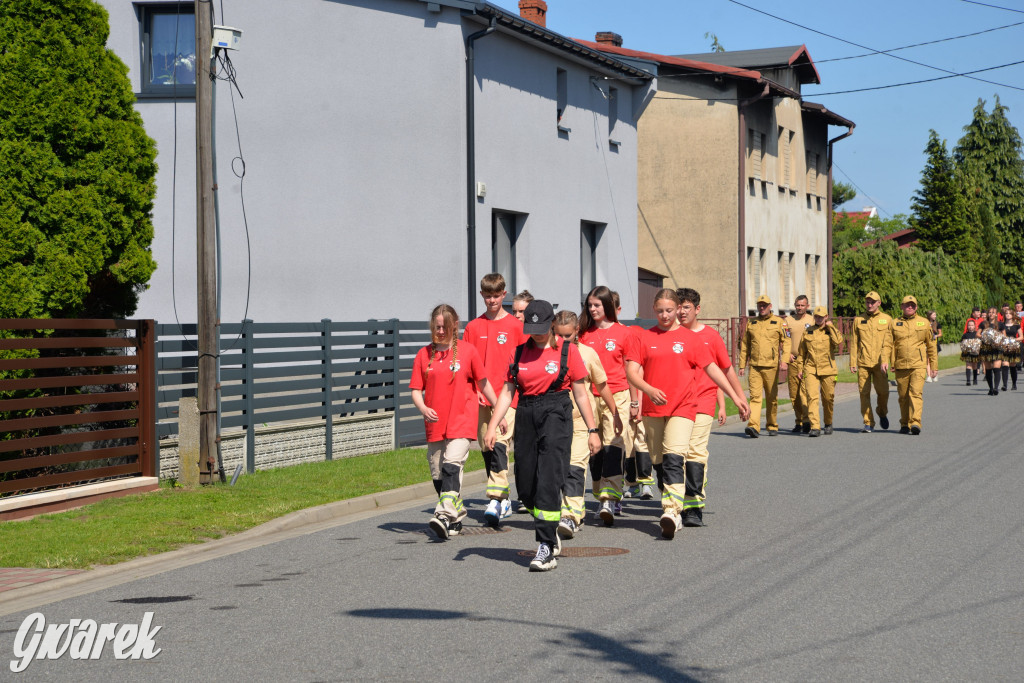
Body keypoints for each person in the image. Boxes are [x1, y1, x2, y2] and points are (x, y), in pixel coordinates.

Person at [484, 299, 601, 572]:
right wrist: (493, 425)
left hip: (556, 412)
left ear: (551, 323)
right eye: (531, 327)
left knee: (548, 480)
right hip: (526, 413)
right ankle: (550, 530)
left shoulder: (568, 352)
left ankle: (546, 546)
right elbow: (507, 392)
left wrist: (593, 430)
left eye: (540, 327)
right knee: (526, 486)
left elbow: (582, 394)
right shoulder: (519, 352)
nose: (535, 332)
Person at [625, 289, 749, 540]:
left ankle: (672, 511)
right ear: (654, 310)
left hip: (684, 406)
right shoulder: (643, 337)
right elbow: (631, 372)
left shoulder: (691, 339)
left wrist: (734, 396)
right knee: (658, 460)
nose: (666, 315)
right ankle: (671, 496)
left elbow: (712, 368)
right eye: (660, 310)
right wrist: (647, 390)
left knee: (674, 456)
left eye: (670, 310)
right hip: (653, 408)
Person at [410, 305, 501, 540]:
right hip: (435, 424)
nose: (440, 331)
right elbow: (415, 390)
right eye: (437, 327)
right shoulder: (423, 354)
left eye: (445, 327)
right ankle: (456, 514)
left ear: (454, 326)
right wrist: (423, 408)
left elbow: (484, 384)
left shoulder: (468, 351)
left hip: (461, 421)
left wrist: (497, 411)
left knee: (452, 465)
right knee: (439, 477)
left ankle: (441, 515)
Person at [676, 288, 744, 526]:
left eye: (686, 307)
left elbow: (725, 369)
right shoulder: (670, 335)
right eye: (679, 307)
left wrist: (738, 396)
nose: (681, 312)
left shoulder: (711, 336)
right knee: (674, 455)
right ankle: (679, 495)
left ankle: (693, 506)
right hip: (676, 403)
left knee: (695, 451)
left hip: (703, 401)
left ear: (697, 309)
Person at [552, 310, 621, 540]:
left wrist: (615, 413)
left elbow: (602, 386)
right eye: (558, 335)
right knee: (558, 469)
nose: (562, 340)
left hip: (581, 421)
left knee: (575, 466)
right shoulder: (547, 353)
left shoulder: (587, 354)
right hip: (554, 421)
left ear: (577, 332)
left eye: (567, 336)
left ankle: (570, 516)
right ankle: (576, 510)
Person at [462, 273, 523, 525]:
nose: (492, 300)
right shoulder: (472, 328)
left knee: (499, 443)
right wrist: (473, 389)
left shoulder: (516, 326)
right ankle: (504, 496)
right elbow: (466, 363)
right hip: (480, 399)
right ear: (481, 296)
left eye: (496, 296)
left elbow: (524, 361)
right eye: (487, 296)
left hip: (508, 396)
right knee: (487, 445)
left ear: (504, 295)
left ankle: (496, 498)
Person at [578, 286, 632, 525]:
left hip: (617, 394)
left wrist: (636, 402)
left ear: (607, 306)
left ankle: (610, 496)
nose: (592, 309)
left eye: (597, 305)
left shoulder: (624, 333)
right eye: (589, 305)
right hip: (589, 396)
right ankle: (600, 491)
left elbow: (632, 370)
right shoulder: (582, 333)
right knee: (594, 448)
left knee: (613, 444)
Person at [737, 294, 789, 437]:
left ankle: (772, 425)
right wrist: (742, 365)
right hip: (754, 366)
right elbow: (745, 345)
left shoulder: (780, 322)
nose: (762, 307)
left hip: (771, 366)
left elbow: (787, 342)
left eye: (764, 305)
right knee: (755, 397)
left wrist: (784, 360)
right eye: (760, 305)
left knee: (772, 398)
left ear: (770, 306)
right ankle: (753, 426)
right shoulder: (752, 323)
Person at [891, 295, 937, 434]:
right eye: (907, 304)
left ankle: (916, 422)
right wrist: (892, 362)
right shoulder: (894, 323)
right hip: (901, 364)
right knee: (903, 396)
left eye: (912, 305)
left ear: (916, 307)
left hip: (918, 364)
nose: (909, 307)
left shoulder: (923, 323)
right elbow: (890, 345)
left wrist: (934, 366)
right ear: (902, 306)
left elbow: (931, 346)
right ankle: (904, 423)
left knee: (915, 393)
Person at [795, 306, 843, 437]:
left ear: (826, 317)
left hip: (828, 368)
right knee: (812, 397)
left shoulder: (830, 331)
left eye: (821, 317)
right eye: (816, 316)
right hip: (811, 368)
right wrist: (800, 368)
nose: (819, 319)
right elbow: (801, 353)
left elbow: (839, 341)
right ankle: (815, 426)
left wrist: (831, 327)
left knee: (828, 398)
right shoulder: (808, 331)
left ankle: (828, 422)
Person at [850, 291, 894, 433]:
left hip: (880, 363)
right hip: (863, 363)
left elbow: (891, 343)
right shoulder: (858, 320)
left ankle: (882, 412)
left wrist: (890, 361)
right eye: (867, 302)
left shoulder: (887, 319)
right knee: (864, 393)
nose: (869, 304)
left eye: (872, 302)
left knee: (883, 392)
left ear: (879, 303)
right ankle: (868, 422)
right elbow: (854, 343)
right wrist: (852, 362)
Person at [783, 295, 814, 433]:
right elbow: (784, 340)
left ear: (807, 306)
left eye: (802, 305)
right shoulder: (788, 321)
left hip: (807, 360)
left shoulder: (812, 320)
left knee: (805, 392)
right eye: (798, 305)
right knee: (794, 393)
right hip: (793, 360)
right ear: (794, 305)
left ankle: (808, 420)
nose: (800, 308)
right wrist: (786, 354)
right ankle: (799, 421)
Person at [979, 306, 1004, 396]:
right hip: (986, 348)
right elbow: (977, 334)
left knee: (996, 368)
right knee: (988, 369)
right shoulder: (983, 324)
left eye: (993, 312)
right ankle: (990, 388)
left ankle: (996, 388)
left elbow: (1003, 336)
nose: (991, 314)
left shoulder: (1000, 324)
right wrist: (985, 336)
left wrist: (997, 338)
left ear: (996, 314)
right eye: (989, 312)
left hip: (997, 348)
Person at [999, 311, 1021, 391]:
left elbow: (1021, 337)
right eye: (1006, 313)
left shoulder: (1016, 325)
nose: (1008, 315)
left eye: (1009, 313)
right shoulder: (1002, 325)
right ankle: (1004, 385)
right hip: (1004, 346)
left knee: (1012, 365)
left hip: (1013, 346)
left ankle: (1014, 384)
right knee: (1005, 364)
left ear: (1012, 315)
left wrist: (1013, 339)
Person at [960, 319, 980, 386]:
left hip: (975, 352)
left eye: (972, 325)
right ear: (967, 326)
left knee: (974, 365)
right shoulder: (965, 335)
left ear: (974, 326)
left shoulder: (977, 334)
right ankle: (968, 380)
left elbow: (979, 342)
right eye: (969, 325)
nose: (970, 326)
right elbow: (962, 343)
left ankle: (975, 379)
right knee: (968, 365)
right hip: (968, 352)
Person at [924, 310, 942, 381]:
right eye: (933, 315)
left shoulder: (937, 323)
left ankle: (934, 374)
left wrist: (936, 336)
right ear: (929, 315)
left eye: (935, 315)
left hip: (934, 342)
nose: (935, 316)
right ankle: (928, 375)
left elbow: (940, 334)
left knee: (934, 359)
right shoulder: (925, 323)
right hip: (926, 342)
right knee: (927, 360)